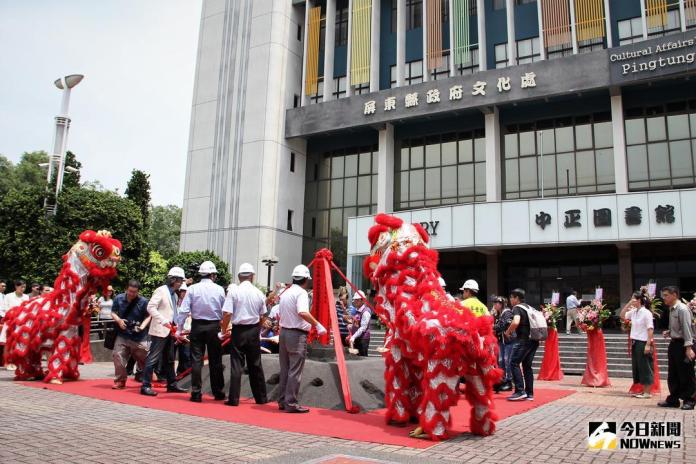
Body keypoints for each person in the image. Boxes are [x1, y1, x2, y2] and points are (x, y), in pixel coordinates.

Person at [278, 264, 327, 413]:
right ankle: (291, 403)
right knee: (295, 371)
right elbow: (303, 312)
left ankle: (282, 400)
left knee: (285, 369)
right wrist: (318, 325)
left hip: (284, 333)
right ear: (306, 279)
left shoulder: (286, 292)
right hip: (296, 335)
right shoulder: (301, 293)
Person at [177, 260, 226, 403]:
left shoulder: (192, 289)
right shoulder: (219, 289)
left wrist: (180, 329)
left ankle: (196, 393)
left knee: (196, 360)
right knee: (215, 360)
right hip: (214, 326)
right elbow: (225, 311)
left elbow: (184, 310)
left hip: (197, 326)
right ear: (212, 275)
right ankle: (218, 392)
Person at [221, 263, 268, 406]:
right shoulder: (258, 293)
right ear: (252, 276)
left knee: (236, 364)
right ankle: (261, 398)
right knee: (255, 364)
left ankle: (234, 398)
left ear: (239, 277)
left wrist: (224, 329)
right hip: (253, 330)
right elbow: (263, 315)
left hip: (238, 330)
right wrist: (258, 328)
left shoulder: (234, 292)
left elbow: (227, 313)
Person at [140, 267, 188, 396]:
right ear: (173, 280)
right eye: (179, 281)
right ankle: (145, 385)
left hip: (169, 331)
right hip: (160, 330)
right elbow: (150, 307)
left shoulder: (173, 294)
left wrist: (177, 326)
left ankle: (171, 384)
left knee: (170, 359)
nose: (180, 283)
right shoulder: (161, 291)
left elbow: (173, 312)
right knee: (153, 358)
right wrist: (163, 320)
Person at [657, 286, 695, 410]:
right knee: (673, 373)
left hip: (684, 345)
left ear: (674, 295)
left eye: (666, 295)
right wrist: (670, 332)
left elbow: (687, 328)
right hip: (674, 344)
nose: (664, 298)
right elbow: (679, 328)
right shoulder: (672, 309)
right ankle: (673, 399)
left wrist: (689, 348)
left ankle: (689, 400)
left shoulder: (682, 309)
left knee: (686, 373)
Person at [110, 280, 150, 389]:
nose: (132, 294)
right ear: (126, 289)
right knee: (118, 356)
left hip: (139, 336)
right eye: (130, 291)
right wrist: (119, 320)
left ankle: (147, 379)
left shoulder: (143, 302)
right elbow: (113, 312)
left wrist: (142, 327)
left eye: (134, 292)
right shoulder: (118, 298)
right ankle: (120, 381)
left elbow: (148, 316)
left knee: (145, 359)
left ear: (138, 292)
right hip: (122, 335)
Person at [505, 288, 539, 401]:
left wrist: (508, 331)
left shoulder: (517, 308)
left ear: (517, 298)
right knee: (527, 366)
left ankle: (520, 391)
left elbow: (516, 321)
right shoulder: (529, 307)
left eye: (511, 297)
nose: (510, 300)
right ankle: (530, 393)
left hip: (523, 340)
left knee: (513, 363)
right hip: (533, 341)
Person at [620, 289, 655, 399]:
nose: (632, 301)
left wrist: (648, 344)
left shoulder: (646, 313)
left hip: (643, 341)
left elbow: (650, 329)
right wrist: (629, 303)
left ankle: (647, 392)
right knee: (638, 366)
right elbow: (622, 315)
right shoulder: (634, 312)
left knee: (645, 366)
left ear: (639, 300)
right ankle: (644, 391)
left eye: (634, 299)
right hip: (635, 342)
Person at [492, 296, 514, 392]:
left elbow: (502, 325)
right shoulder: (497, 313)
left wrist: (492, 326)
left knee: (507, 361)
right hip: (501, 340)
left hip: (508, 340)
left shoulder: (507, 312)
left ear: (502, 304)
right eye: (495, 302)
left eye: (498, 303)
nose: (495, 304)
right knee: (501, 361)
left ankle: (509, 382)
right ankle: (502, 380)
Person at [175, 282, 192, 375]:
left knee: (186, 355)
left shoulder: (189, 302)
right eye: (181, 291)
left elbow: (191, 316)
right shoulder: (175, 302)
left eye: (184, 291)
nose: (183, 293)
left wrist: (188, 329)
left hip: (186, 332)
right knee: (171, 356)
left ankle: (184, 373)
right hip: (175, 331)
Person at [348, 291, 371, 356]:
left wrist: (353, 337)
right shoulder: (357, 310)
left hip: (363, 339)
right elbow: (356, 323)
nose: (355, 302)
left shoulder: (366, 312)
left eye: (357, 300)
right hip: (357, 338)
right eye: (355, 300)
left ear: (362, 300)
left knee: (362, 359)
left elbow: (363, 328)